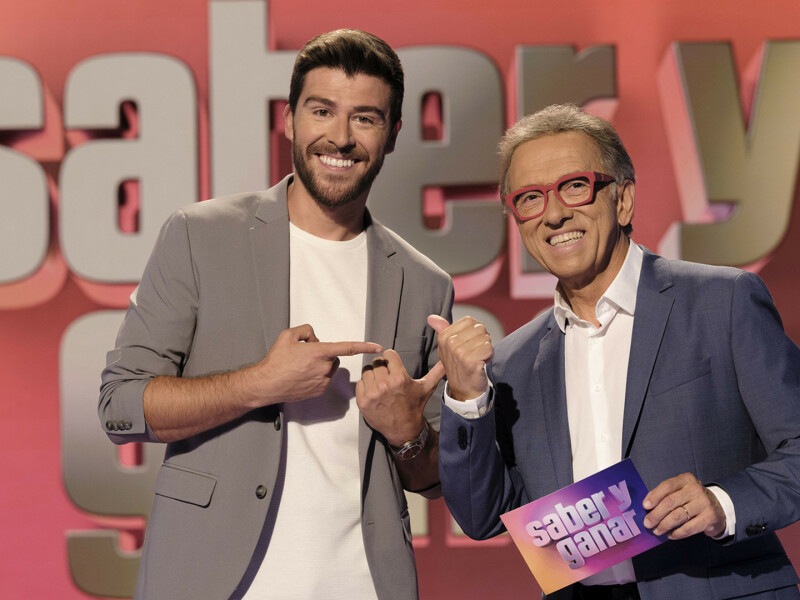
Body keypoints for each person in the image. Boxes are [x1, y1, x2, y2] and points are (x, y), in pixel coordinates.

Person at [99, 29, 452, 600]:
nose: (340, 137)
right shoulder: (199, 236)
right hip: (213, 581)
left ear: (392, 135)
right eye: (321, 111)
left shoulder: (424, 283)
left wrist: (407, 433)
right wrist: (260, 383)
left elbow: (433, 479)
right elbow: (120, 406)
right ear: (289, 119)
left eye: (365, 118)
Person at [433, 104, 800, 599]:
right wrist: (465, 399)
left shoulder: (723, 302)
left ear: (623, 200)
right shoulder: (513, 361)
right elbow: (482, 516)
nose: (554, 213)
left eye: (574, 186)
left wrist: (722, 503)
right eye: (530, 198)